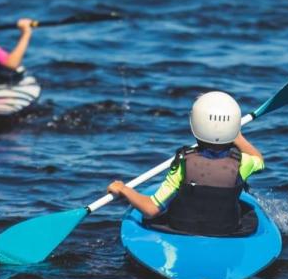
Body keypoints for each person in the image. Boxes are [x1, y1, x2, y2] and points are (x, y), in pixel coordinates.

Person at [106, 91, 265, 236]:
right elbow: (259, 160)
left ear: (194, 125)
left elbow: (151, 210)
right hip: (227, 230)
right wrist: (237, 136)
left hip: (180, 229)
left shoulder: (183, 163)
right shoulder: (243, 162)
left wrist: (124, 189)